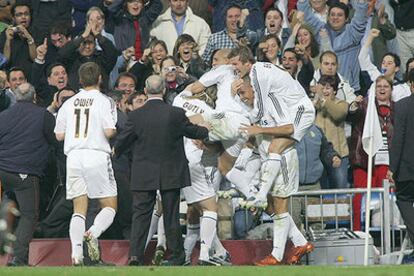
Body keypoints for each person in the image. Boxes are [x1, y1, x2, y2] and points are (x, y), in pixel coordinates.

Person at [114, 75, 210, 266]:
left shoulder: (135, 116)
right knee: (171, 214)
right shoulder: (175, 113)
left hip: (143, 171)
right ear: (164, 90)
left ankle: (135, 255)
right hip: (171, 171)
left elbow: (122, 143)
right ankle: (176, 256)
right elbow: (192, 131)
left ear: (145, 91)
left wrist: (115, 152)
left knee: (141, 215)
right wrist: (205, 129)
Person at [236, 76, 314, 266]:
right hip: (268, 161)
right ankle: (301, 242)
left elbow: (289, 128)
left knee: (279, 207)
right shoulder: (252, 110)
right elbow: (255, 137)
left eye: (243, 92)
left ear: (253, 88)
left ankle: (276, 256)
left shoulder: (271, 101)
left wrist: (259, 130)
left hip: (283, 159)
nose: (242, 97)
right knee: (271, 207)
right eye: (238, 94)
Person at [228, 46, 315, 209]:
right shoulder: (259, 70)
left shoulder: (257, 74)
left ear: (247, 63)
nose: (234, 69)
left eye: (235, 64)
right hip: (289, 109)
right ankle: (245, 186)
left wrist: (254, 125)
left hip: (301, 110)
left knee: (274, 146)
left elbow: (259, 110)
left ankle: (260, 195)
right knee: (256, 143)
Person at [54, 62, 118, 265]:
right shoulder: (105, 101)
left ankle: (76, 255)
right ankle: (93, 233)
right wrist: (114, 133)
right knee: (109, 206)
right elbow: (109, 131)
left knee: (78, 209)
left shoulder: (68, 103)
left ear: (80, 80)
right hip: (96, 155)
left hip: (73, 157)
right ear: (100, 78)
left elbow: (59, 135)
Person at [0, 83, 57, 266]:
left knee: (9, 205)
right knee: (29, 215)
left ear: (16, 97)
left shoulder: (3, 115)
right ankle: (18, 258)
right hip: (25, 172)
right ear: (34, 97)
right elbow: (56, 143)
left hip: (3, 171)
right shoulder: (44, 116)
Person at [349, 76, 395, 230]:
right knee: (360, 196)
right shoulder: (365, 106)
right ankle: (357, 231)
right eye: (379, 86)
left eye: (385, 86)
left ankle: (387, 233)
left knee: (386, 198)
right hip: (364, 160)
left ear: (391, 90)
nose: (382, 89)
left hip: (387, 162)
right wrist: (354, 105)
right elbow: (352, 115)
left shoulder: (397, 109)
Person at [298, 0, 369, 92]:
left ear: (346, 18)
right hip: (325, 89)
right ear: (328, 17)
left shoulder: (352, 32)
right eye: (332, 14)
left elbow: (360, 19)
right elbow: (308, 15)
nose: (335, 17)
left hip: (350, 89)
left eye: (339, 15)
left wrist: (362, 3)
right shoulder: (322, 30)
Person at [388, 69, 414, 243]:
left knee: (404, 200)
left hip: (407, 169)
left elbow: (398, 139)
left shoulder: (402, 106)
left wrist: (392, 169)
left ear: (411, 85)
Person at [313, 75, 349, 189]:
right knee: (322, 195)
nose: (324, 91)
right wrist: (315, 101)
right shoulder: (314, 105)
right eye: (322, 88)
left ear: (335, 90)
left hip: (339, 154)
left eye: (328, 88)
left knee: (339, 194)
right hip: (319, 156)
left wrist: (323, 99)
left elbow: (338, 115)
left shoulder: (342, 104)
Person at [0, 2, 36, 78]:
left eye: (26, 14)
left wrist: (29, 38)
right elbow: (4, 61)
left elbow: (36, 59)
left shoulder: (38, 33)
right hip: (11, 77)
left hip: (33, 76)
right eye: (19, 15)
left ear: (30, 16)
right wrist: (8, 41)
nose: (23, 17)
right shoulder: (5, 34)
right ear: (13, 18)